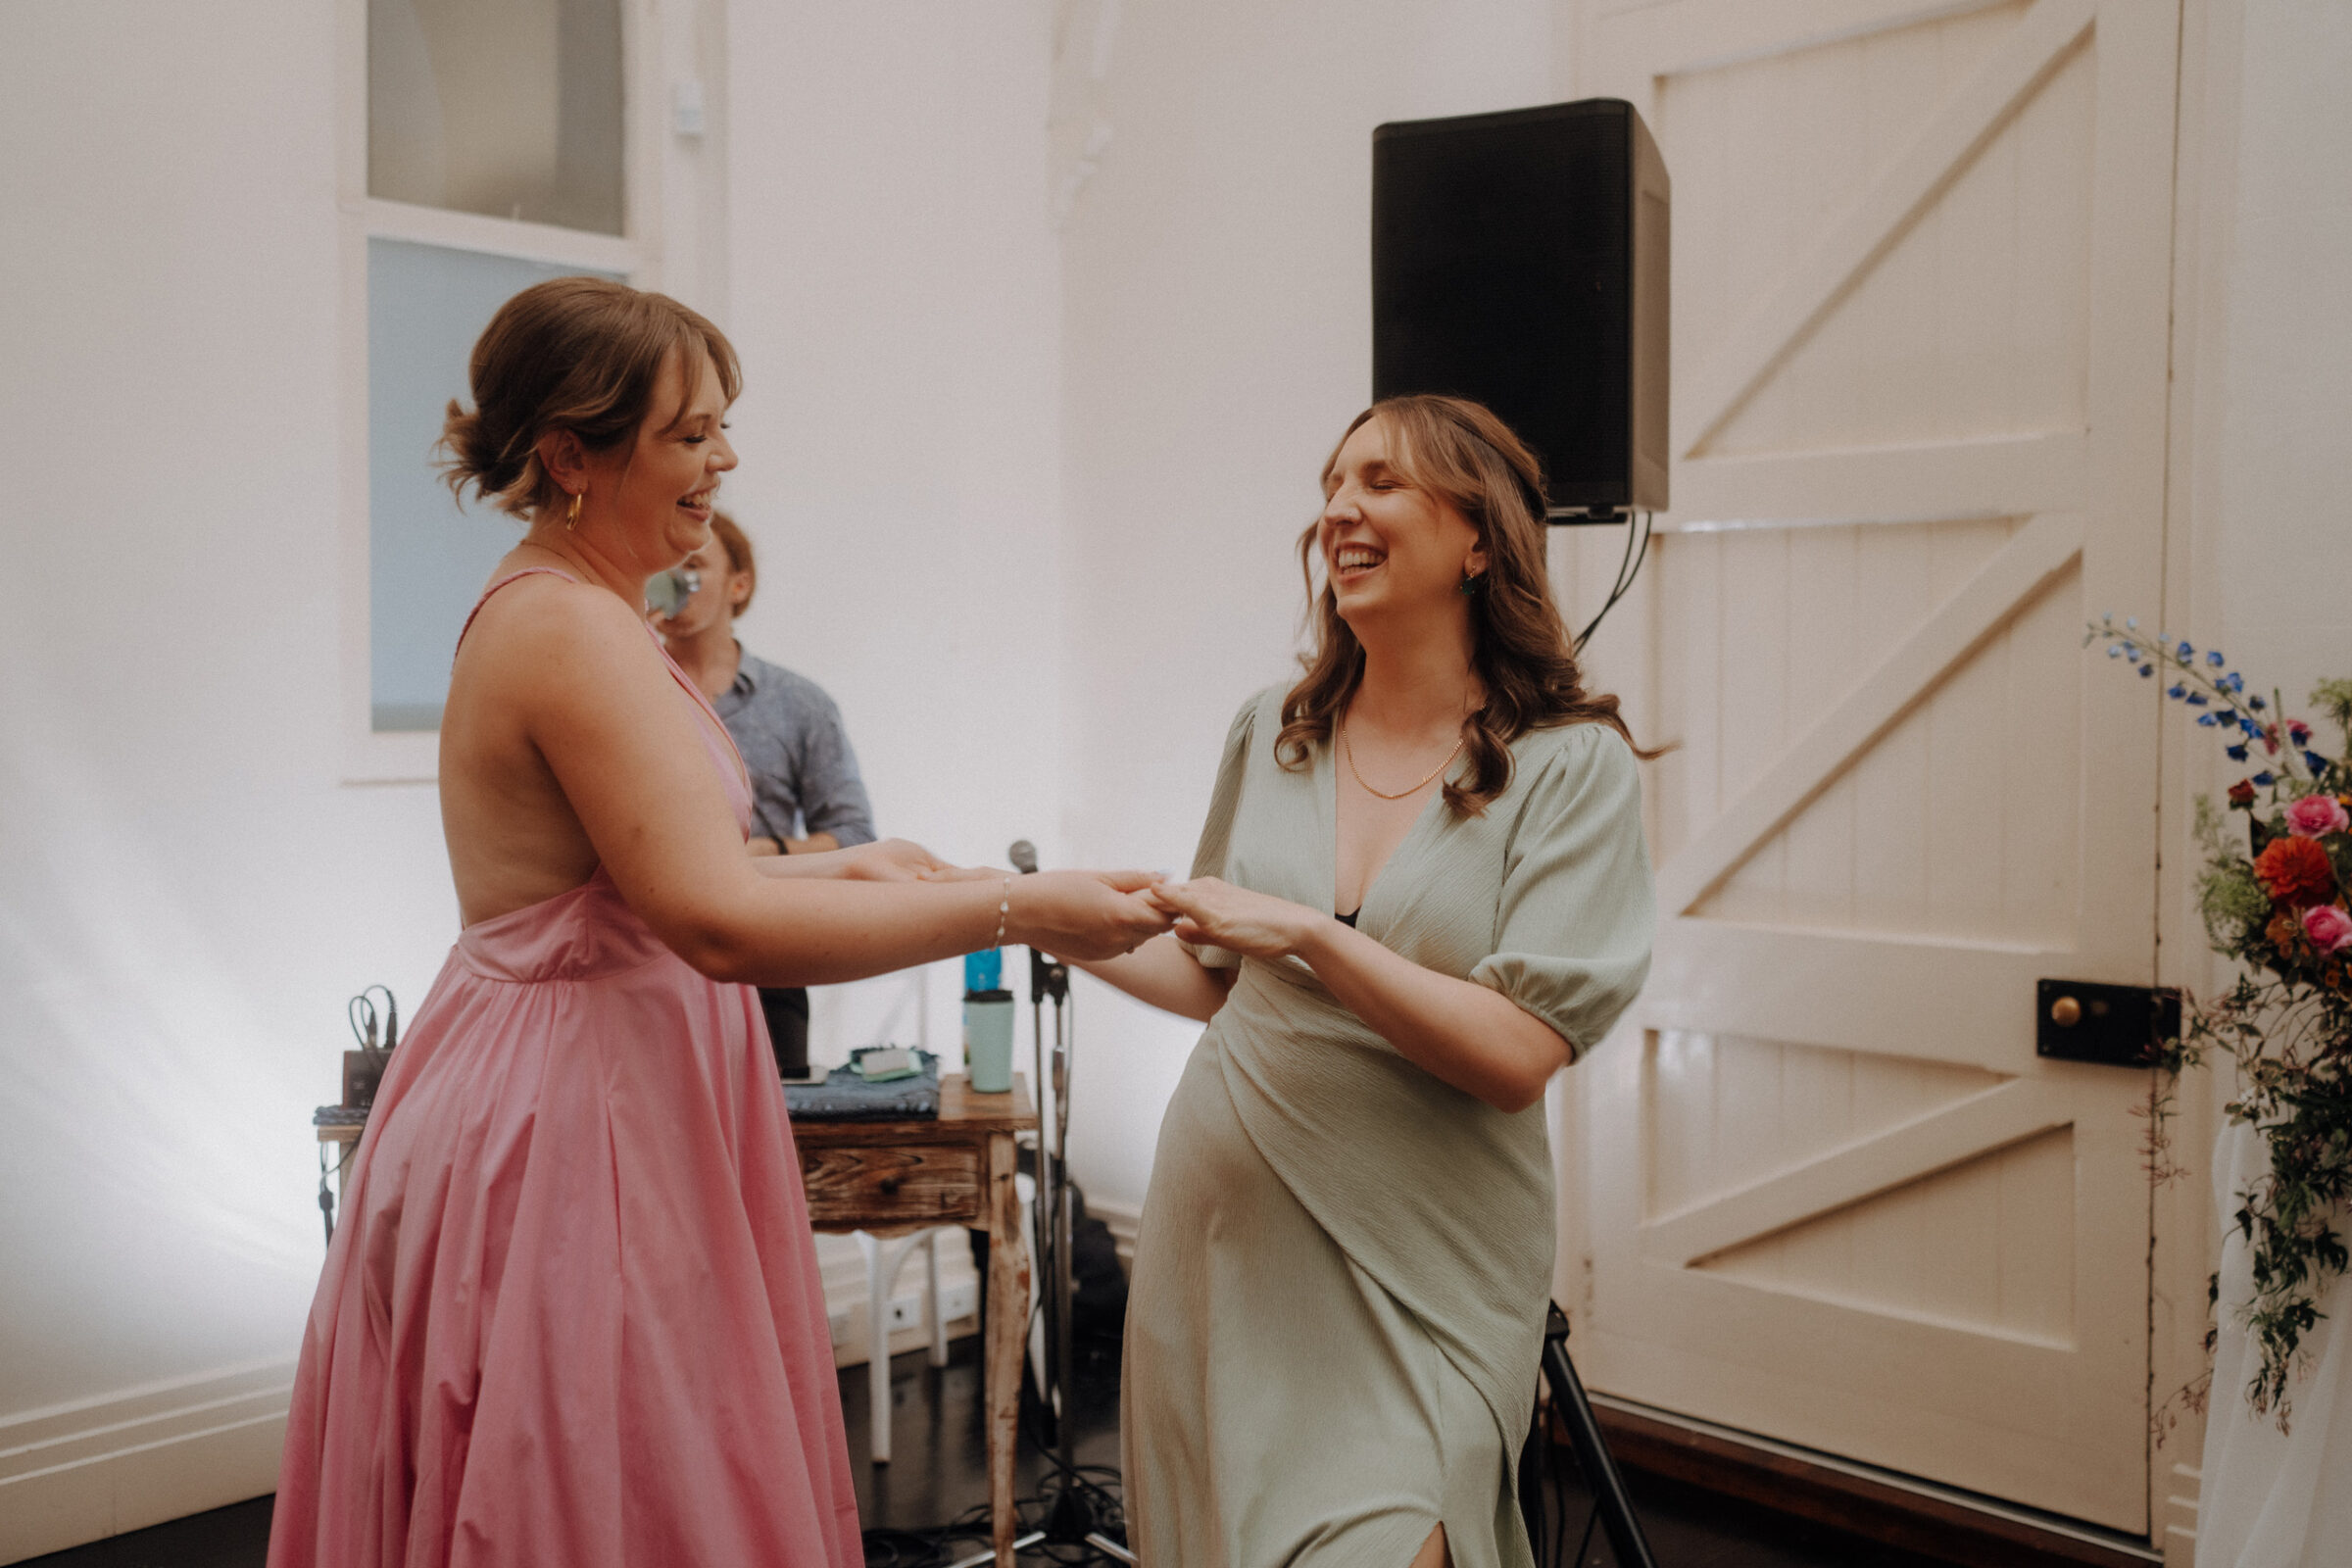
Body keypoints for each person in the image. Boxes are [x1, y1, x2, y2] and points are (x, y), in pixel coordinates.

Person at [268, 276, 1168, 1568]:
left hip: (596, 1078)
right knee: (591, 1480)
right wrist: (1024, 907)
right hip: (569, 1123)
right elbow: (714, 926)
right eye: (691, 434)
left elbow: (637, 887)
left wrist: (850, 871)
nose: (724, 460)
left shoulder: (582, 613)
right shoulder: (569, 633)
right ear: (573, 454)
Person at [1083, 396, 1657, 1568]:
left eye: (1382, 482)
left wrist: (1310, 935)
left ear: (1479, 537)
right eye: (1334, 482)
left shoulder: (1569, 763)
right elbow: (1214, 982)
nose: (1340, 507)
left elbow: (1514, 1055)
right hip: (1226, 1246)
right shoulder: (1275, 731)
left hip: (1427, 1266)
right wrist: (1033, 917)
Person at [654, 512, 875, 1075]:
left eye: (695, 566)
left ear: (739, 584)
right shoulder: (624, 687)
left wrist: (766, 853)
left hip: (768, 956)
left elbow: (855, 838)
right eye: (664, 566)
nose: (676, 579)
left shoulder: (799, 704)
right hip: (650, 964)